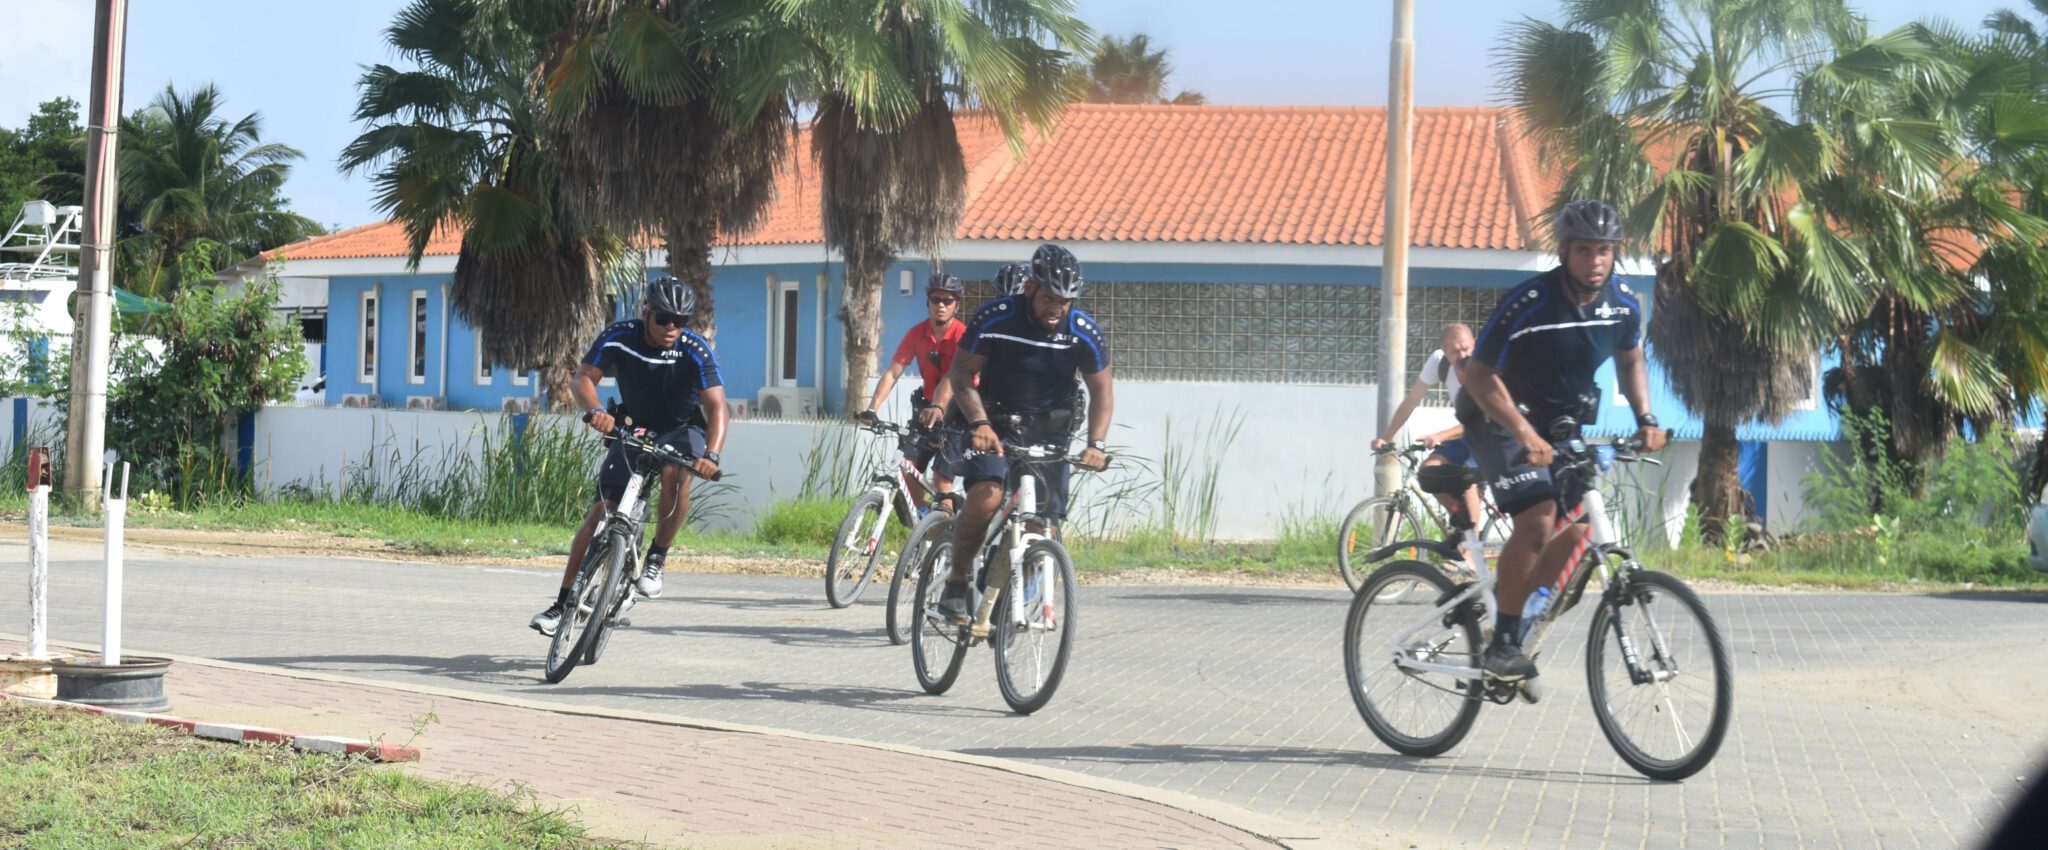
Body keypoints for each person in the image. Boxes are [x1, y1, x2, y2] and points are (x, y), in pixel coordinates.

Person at [1455, 199, 1667, 681]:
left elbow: (1630, 359)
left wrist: (1646, 418)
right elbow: (1479, 375)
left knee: (1580, 527)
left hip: (1560, 425)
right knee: (1539, 519)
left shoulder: (1623, 303)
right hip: (1499, 418)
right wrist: (1524, 432)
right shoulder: (1531, 302)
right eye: (1584, 250)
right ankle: (1504, 641)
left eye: (1604, 251)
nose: (1595, 260)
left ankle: (1529, 611)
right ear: (1565, 252)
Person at [530, 279, 728, 636]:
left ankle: (656, 559)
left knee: (674, 474)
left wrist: (711, 454)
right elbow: (583, 379)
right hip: (632, 427)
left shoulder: (694, 349)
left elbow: (717, 407)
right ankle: (561, 606)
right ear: (645, 314)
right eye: (664, 318)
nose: (672, 328)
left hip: (683, 431)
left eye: (680, 321)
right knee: (600, 512)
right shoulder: (621, 335)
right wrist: (595, 411)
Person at [936, 244, 1113, 622]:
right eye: (1049, 297)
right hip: (993, 423)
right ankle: (956, 580)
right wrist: (979, 423)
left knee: (1040, 525)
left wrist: (1095, 444)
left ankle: (1000, 603)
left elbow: (1101, 390)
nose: (1057, 308)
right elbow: (962, 376)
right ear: (1030, 288)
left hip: (1050, 430)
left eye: (1065, 301)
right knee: (986, 496)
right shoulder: (996, 317)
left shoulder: (1083, 332)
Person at [858, 272, 964, 509]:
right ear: (928, 303)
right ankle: (924, 525)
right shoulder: (917, 333)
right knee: (908, 472)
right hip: (925, 412)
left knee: (941, 482)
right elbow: (893, 372)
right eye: (936, 299)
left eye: (948, 301)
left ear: (956, 305)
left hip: (956, 416)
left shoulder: (963, 336)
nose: (941, 305)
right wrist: (872, 409)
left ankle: (942, 534)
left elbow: (956, 376)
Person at [1372, 323, 1483, 526]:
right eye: (1455, 351)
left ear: (1475, 344)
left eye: (1467, 348)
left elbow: (1482, 421)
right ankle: (1463, 523)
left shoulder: (1484, 367)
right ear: (1445, 351)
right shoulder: (1439, 362)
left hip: (1490, 435)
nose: (1463, 355)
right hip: (1466, 436)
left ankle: (1469, 552)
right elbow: (1411, 400)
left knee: (1465, 476)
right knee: (1429, 472)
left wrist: (1440, 436)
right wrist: (1386, 437)